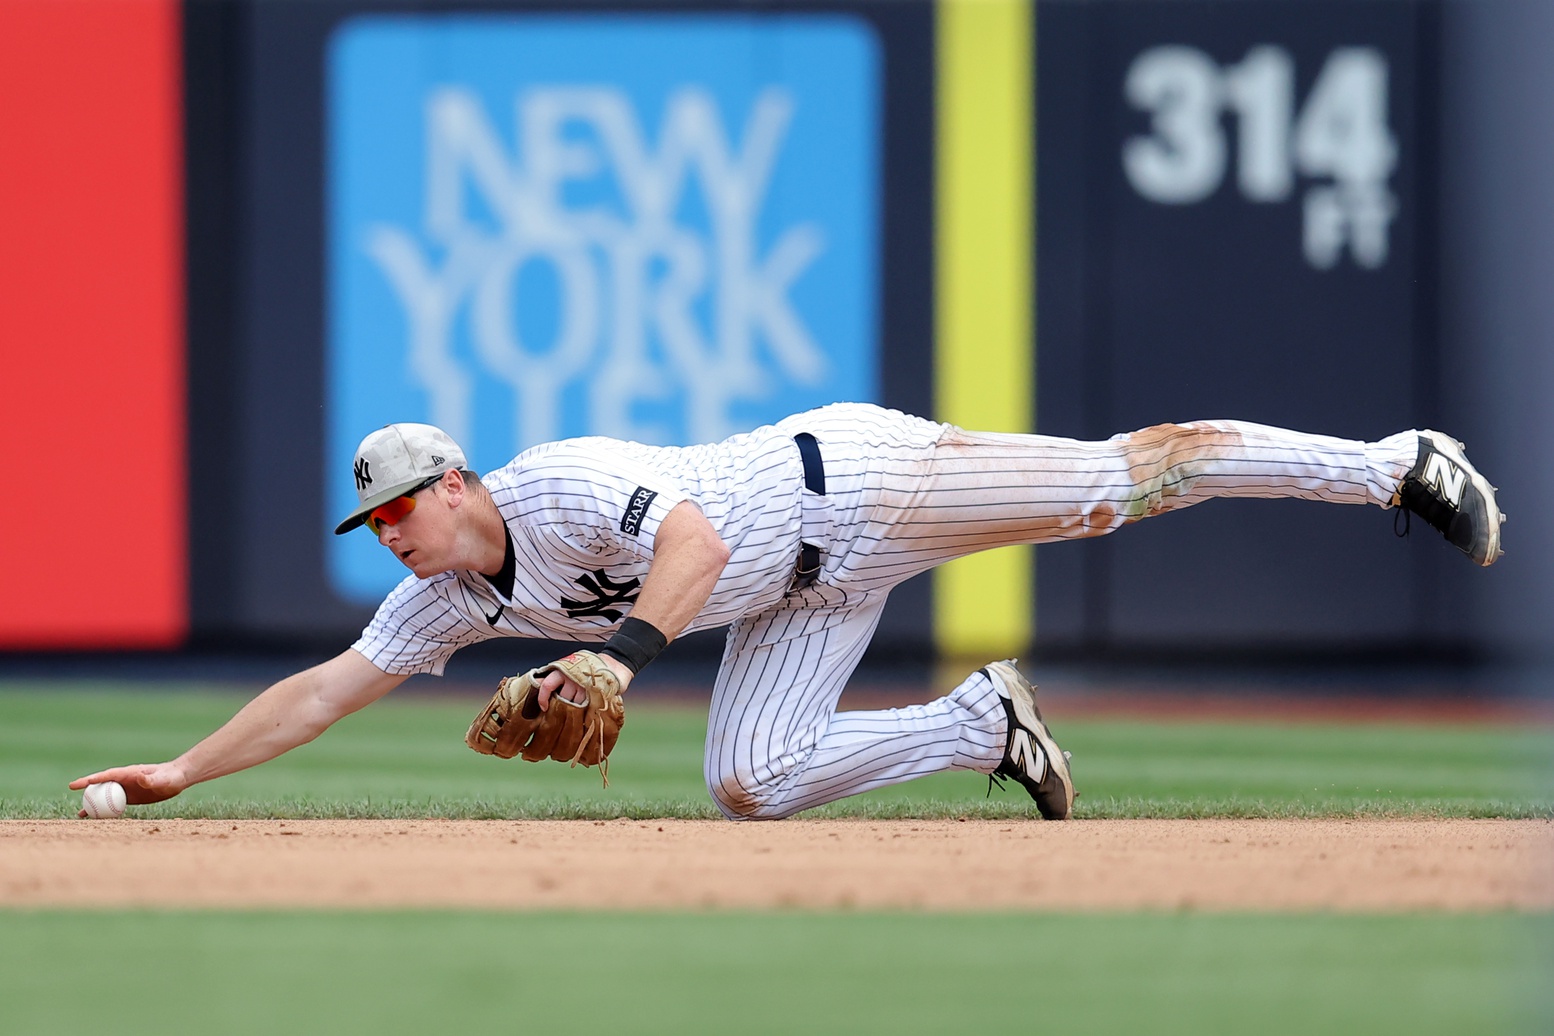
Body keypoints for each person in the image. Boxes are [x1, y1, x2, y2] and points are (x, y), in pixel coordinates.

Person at [71, 404, 1504, 820]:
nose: (386, 536)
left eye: (398, 509)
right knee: (750, 781)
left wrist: (618, 659)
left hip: (853, 488)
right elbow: (327, 685)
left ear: (453, 480)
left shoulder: (561, 483)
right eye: (370, 524)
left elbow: (688, 539)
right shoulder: (450, 596)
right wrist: (182, 773)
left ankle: (1390, 465)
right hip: (803, 592)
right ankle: (976, 723)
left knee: (1120, 486)